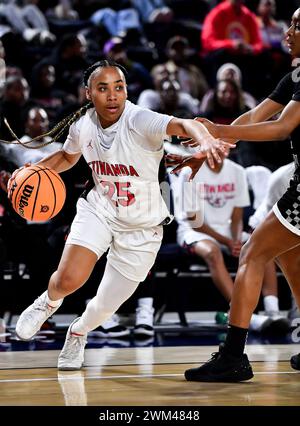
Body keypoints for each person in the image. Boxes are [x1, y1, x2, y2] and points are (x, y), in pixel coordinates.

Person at [6, 59, 232, 371]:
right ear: (89, 93)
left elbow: (183, 125)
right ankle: (47, 302)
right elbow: (68, 157)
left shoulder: (140, 118)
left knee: (104, 307)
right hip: (100, 208)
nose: (113, 95)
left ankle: (78, 331)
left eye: (119, 87)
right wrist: (33, 171)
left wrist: (205, 138)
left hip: (143, 226)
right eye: (103, 88)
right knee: (68, 278)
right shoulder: (83, 124)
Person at [177, 7, 300, 381]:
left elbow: (281, 129)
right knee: (290, 257)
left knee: (253, 252)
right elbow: (252, 118)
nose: (289, 29)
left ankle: (233, 356)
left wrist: (216, 129)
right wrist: (208, 144)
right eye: (291, 21)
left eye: (298, 24)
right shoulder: (295, 74)